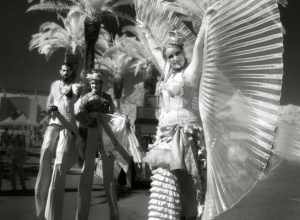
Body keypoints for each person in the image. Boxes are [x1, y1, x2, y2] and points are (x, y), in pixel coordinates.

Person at [140, 13, 209, 219]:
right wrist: (146, 31)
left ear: (183, 53)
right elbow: (155, 53)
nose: (173, 59)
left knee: (187, 183)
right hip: (165, 137)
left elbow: (199, 48)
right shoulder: (168, 74)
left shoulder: (191, 74)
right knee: (163, 179)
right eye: (170, 56)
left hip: (185, 136)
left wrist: (205, 24)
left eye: (177, 54)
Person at [74, 70, 137, 220]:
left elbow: (114, 115)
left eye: (98, 82)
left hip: (106, 136)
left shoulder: (107, 98)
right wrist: (90, 117)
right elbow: (79, 116)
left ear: (102, 84)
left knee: (109, 176)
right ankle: (81, 216)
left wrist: (123, 120)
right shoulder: (84, 98)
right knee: (87, 173)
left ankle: (114, 215)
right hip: (91, 135)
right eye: (93, 82)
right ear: (90, 84)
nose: (95, 84)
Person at [34, 63, 80, 220]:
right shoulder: (54, 85)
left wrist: (70, 94)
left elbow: (75, 100)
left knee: (58, 167)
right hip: (53, 124)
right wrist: (50, 108)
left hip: (67, 127)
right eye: (63, 69)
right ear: (60, 71)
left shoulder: (75, 86)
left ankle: (53, 213)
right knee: (45, 155)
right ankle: (40, 211)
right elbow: (48, 103)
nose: (65, 72)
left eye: (68, 70)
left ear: (72, 72)